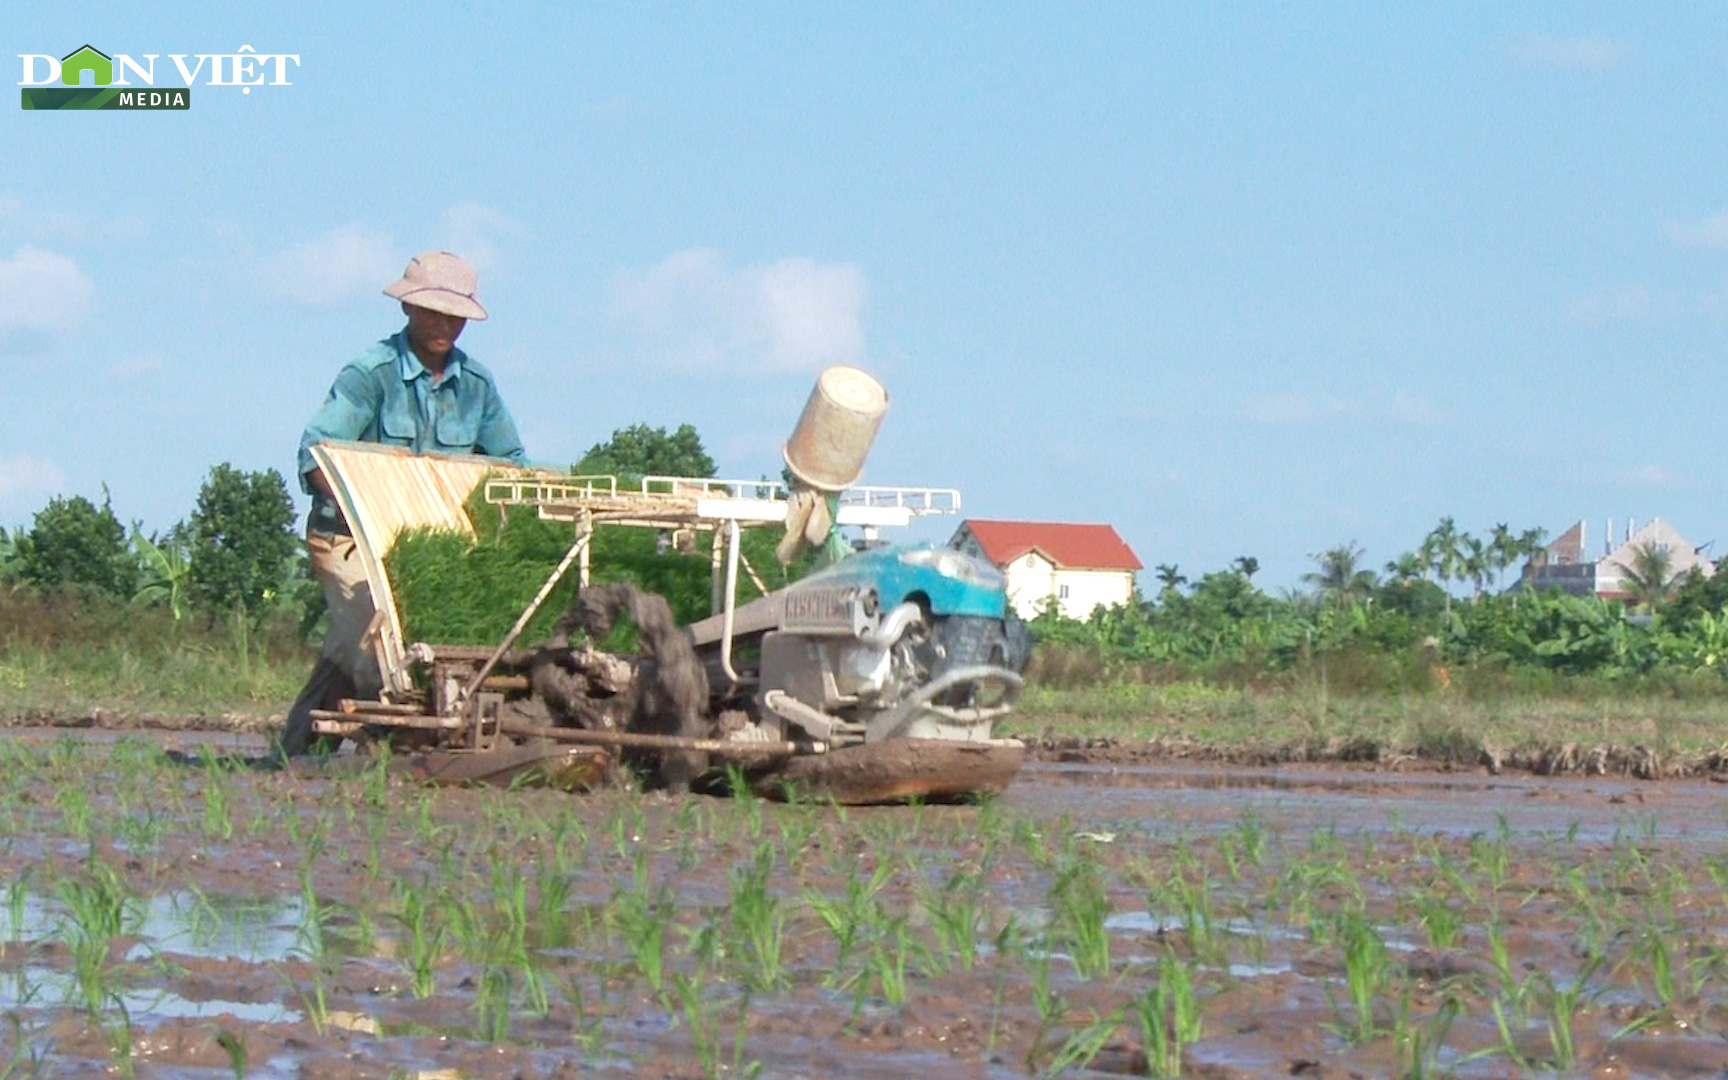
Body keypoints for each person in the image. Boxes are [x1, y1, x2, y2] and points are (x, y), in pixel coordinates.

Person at [278, 251, 528, 757]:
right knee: (381, 645)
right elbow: (314, 458)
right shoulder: (370, 375)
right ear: (408, 310)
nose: (445, 325)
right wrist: (371, 501)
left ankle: (298, 751)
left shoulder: (477, 387)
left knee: (366, 648)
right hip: (352, 541)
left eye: (455, 315)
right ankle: (393, 747)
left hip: (436, 549)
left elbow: (511, 468)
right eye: (433, 312)